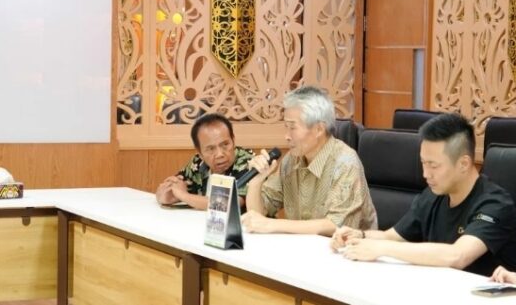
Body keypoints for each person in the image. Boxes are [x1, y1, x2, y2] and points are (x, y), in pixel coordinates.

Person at [331, 113, 516, 276]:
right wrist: (359, 236)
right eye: (423, 163)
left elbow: (458, 255)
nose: (426, 174)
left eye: (433, 165)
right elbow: (392, 236)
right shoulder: (433, 195)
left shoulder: (495, 204)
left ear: (464, 164)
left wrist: (382, 249)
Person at [242, 86, 377, 235]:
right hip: (303, 246)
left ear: (319, 129)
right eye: (286, 127)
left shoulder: (345, 162)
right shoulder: (291, 160)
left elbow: (336, 225)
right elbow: (257, 216)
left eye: (292, 127)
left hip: (347, 247)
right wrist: (255, 182)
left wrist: (271, 224)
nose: (287, 136)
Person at [155, 113, 253, 210]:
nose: (220, 154)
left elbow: (230, 203)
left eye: (225, 144)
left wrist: (183, 196)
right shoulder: (198, 162)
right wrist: (166, 195)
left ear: (233, 141)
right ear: (200, 153)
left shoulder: (248, 162)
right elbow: (175, 186)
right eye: (211, 149)